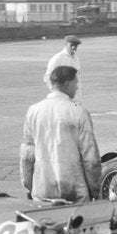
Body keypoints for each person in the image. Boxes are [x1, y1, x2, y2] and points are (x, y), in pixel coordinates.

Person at [20, 66, 101, 202]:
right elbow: (91, 159)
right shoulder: (78, 112)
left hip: (42, 189)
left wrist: (29, 185)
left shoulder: (33, 111)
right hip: (74, 191)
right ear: (67, 83)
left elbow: (27, 155)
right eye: (76, 82)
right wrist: (95, 189)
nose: (77, 87)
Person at [44, 35, 83, 100]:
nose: (74, 47)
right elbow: (47, 77)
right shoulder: (57, 59)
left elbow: (77, 77)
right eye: (72, 45)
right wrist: (57, 92)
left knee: (76, 108)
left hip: (76, 97)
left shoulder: (75, 58)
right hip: (63, 97)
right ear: (66, 44)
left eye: (76, 45)